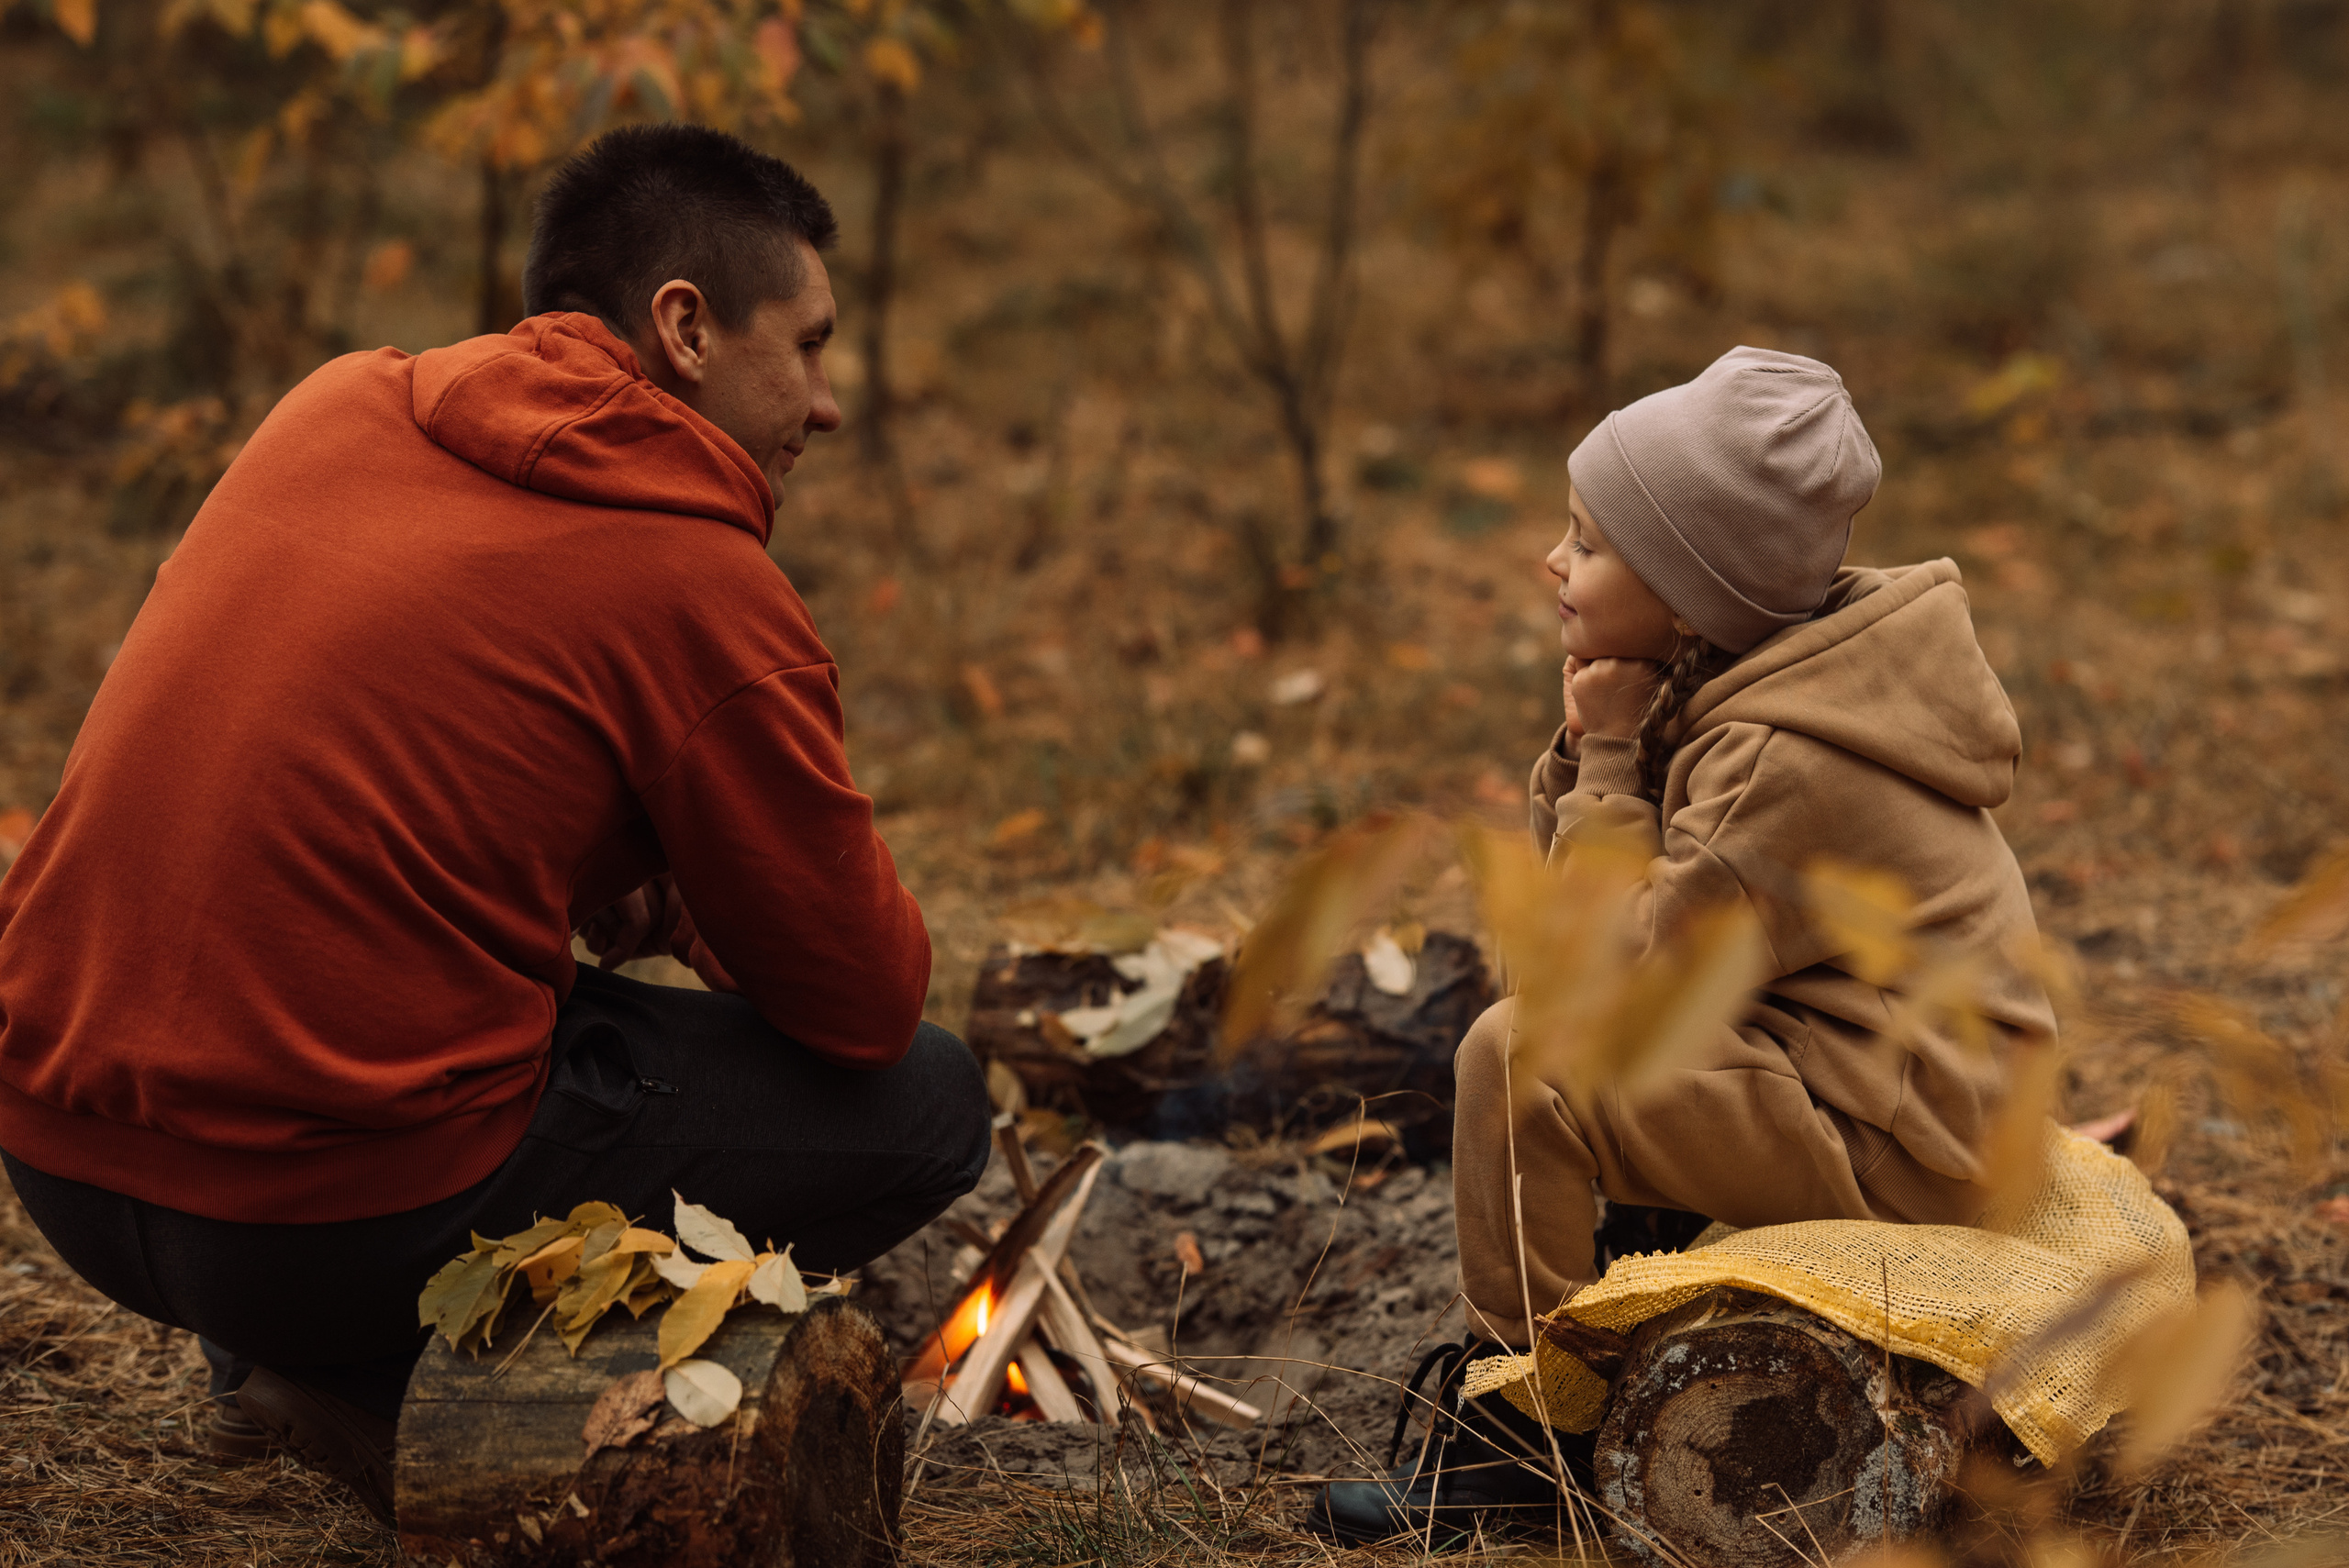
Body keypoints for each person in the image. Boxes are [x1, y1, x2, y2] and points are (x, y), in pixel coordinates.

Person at [0, 125, 992, 1525]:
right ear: (686, 327)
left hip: (58, 1156)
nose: (827, 404)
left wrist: (612, 875)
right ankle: (408, 1380)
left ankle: (297, 1371)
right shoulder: (696, 582)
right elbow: (866, 1001)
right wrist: (706, 909)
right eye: (810, 344)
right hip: (319, 1217)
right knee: (934, 1102)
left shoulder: (338, 405)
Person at [1308, 346, 2056, 1543]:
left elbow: (1594, 986)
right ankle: (1625, 1292)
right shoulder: (1755, 676)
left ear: (1691, 587)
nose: (1553, 560)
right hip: (1886, 1072)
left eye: (1591, 542)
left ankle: (1526, 1444)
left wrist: (1606, 763)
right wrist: (1594, 750)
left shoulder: (1780, 759)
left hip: (1909, 1139)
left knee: (1515, 1062)